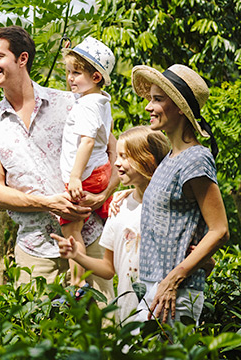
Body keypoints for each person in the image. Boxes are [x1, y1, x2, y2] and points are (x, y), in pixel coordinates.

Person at [0, 26, 117, 300]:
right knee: (41, 339)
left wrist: (103, 195)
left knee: (105, 334)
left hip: (90, 242)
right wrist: (48, 203)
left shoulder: (72, 102)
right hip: (35, 252)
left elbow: (114, 152)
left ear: (22, 59)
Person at [130, 64, 229, 324]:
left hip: (175, 291)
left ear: (180, 108)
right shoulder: (171, 158)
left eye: (157, 99)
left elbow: (219, 230)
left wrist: (175, 279)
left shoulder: (195, 158)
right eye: (150, 98)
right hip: (155, 285)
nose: (148, 107)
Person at [53, 126, 170, 324]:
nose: (116, 163)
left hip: (164, 311)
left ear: (148, 159)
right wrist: (77, 255)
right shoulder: (119, 206)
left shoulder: (171, 205)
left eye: (124, 157)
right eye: (117, 156)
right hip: (128, 313)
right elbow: (108, 269)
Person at [58, 37, 116, 287]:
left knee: (72, 228)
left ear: (95, 77)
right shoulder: (102, 100)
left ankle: (78, 283)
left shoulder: (86, 107)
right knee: (105, 218)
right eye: (69, 72)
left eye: (77, 73)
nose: (70, 78)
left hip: (87, 175)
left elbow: (88, 142)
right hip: (101, 169)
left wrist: (74, 177)